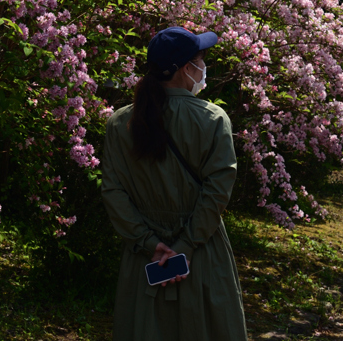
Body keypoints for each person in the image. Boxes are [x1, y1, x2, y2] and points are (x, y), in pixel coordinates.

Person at [101, 26, 247, 341]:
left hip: (145, 259)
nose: (203, 67)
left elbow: (113, 192)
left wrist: (148, 241)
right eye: (200, 60)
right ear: (185, 69)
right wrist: (184, 246)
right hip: (202, 253)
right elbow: (216, 194)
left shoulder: (120, 123)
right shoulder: (213, 120)